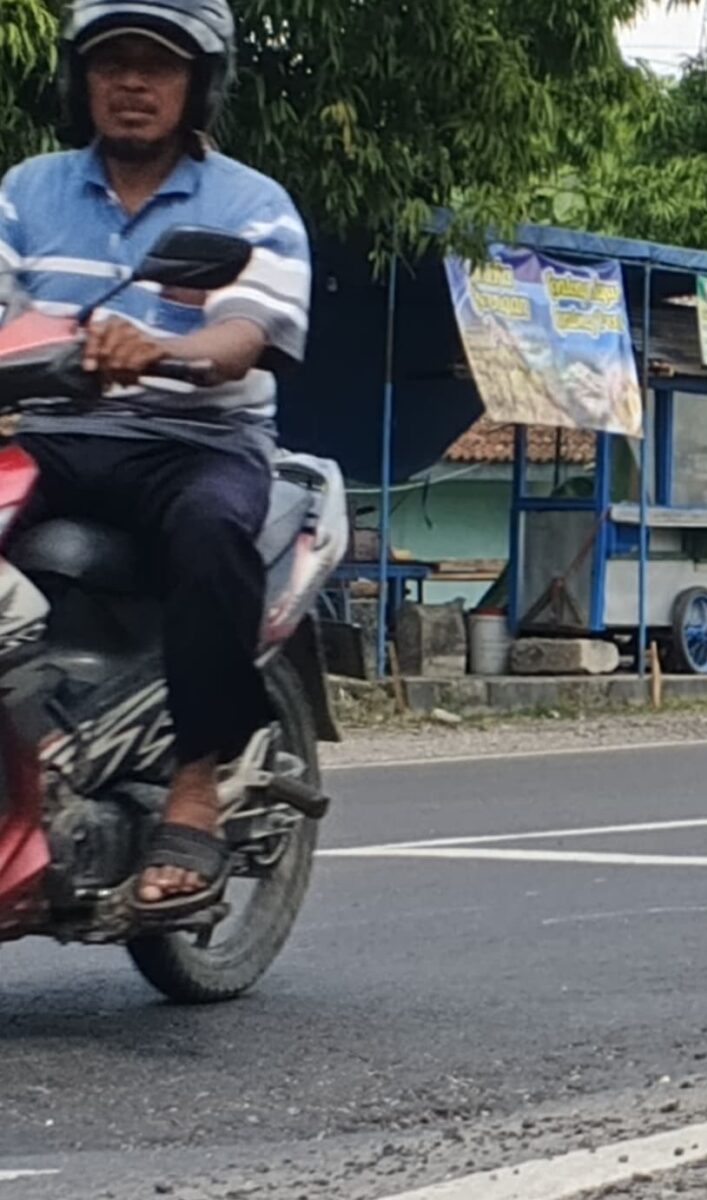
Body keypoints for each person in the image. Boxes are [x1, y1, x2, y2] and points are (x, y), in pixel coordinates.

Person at [0, 0, 312, 919]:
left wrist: (168, 348)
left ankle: (193, 785)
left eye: (157, 66)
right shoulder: (26, 191)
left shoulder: (252, 205)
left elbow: (242, 337)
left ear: (197, 85)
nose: (132, 83)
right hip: (48, 433)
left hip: (195, 439)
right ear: (81, 81)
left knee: (212, 529)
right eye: (112, 64)